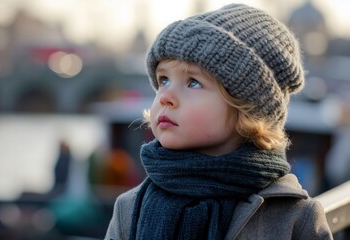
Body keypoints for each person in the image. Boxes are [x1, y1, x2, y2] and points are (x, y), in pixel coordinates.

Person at [105, 3, 333, 240]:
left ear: (246, 108)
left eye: (193, 82)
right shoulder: (130, 208)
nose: (165, 97)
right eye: (163, 80)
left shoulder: (291, 215)